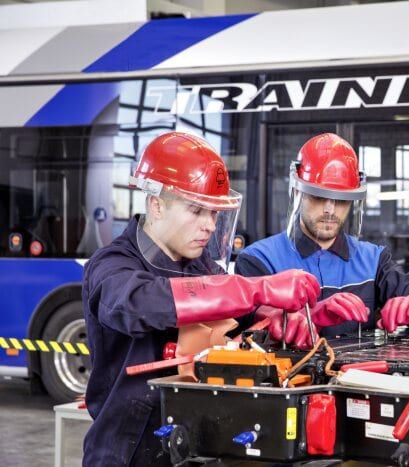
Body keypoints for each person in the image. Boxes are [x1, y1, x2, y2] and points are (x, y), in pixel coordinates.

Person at [81, 132, 320, 466]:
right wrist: (255, 287)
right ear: (156, 204)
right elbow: (139, 303)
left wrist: (294, 316)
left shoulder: (200, 265)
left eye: (214, 214)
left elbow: (239, 316)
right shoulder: (111, 264)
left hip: (194, 445)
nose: (209, 226)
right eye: (197, 211)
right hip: (128, 450)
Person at [235, 133, 409, 348]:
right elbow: (257, 323)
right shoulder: (258, 259)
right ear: (298, 192)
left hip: (359, 378)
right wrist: (312, 315)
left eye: (341, 200)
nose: (330, 210)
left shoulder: (373, 258)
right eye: (318, 197)